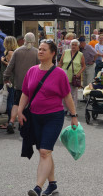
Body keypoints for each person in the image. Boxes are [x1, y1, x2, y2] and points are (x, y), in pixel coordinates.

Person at [18, 40, 77, 196]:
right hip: (35, 117)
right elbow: (25, 92)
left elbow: (67, 96)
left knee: (44, 151)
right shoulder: (31, 71)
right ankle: (52, 185)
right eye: (40, 49)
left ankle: (37, 187)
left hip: (54, 117)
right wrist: (19, 111)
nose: (41, 52)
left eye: (44, 50)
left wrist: (74, 116)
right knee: (45, 152)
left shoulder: (59, 74)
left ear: (52, 53)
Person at [3, 33, 39, 134]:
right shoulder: (36, 52)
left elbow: (10, 67)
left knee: (16, 103)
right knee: (31, 104)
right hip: (32, 83)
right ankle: (26, 123)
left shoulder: (17, 51)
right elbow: (39, 67)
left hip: (19, 83)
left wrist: (6, 78)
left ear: (24, 40)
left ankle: (11, 121)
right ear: (34, 41)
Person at [59, 39, 85, 115]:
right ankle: (64, 109)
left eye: (75, 45)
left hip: (74, 77)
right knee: (64, 93)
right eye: (72, 45)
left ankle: (72, 110)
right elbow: (60, 63)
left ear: (78, 46)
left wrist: (79, 73)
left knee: (73, 94)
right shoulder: (65, 52)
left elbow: (83, 66)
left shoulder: (80, 54)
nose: (73, 46)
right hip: (64, 76)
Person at [0, 36, 18, 129]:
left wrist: (3, 61)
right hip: (10, 78)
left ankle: (10, 121)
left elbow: (10, 65)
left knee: (9, 100)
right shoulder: (14, 51)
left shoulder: (10, 52)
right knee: (10, 99)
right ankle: (10, 121)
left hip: (9, 79)